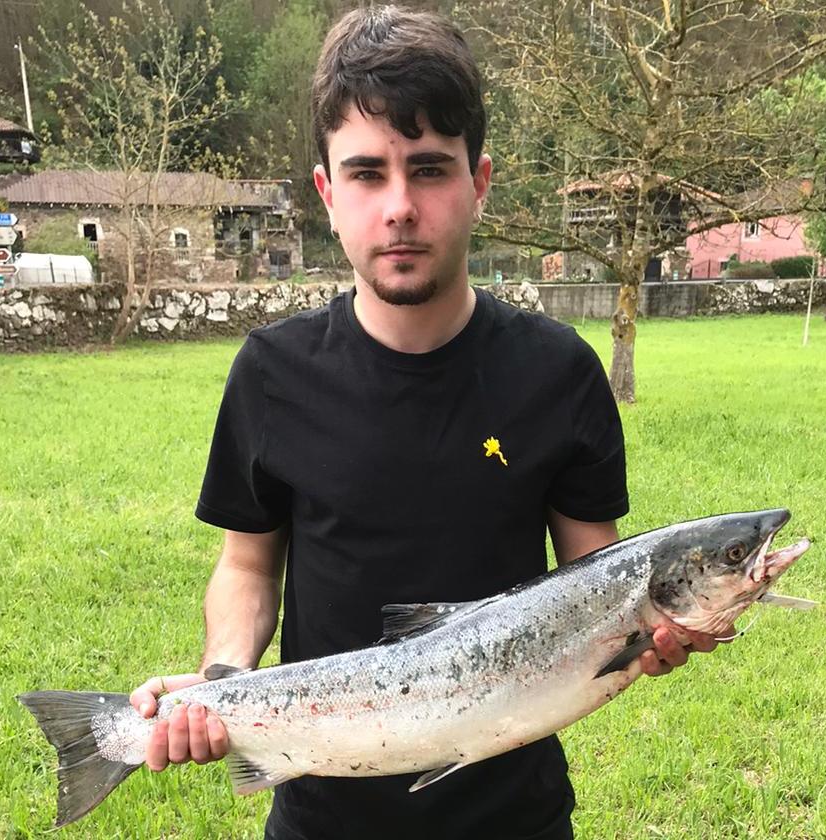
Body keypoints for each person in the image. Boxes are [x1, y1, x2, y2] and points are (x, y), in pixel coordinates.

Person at [129, 6, 725, 839]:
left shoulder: (560, 373)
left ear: (479, 183)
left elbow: (603, 581)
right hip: (321, 812)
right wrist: (222, 678)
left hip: (513, 815)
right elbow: (248, 569)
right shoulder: (271, 373)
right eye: (368, 174)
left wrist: (658, 630)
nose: (400, 206)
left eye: (430, 170)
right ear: (327, 193)